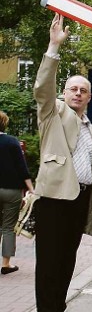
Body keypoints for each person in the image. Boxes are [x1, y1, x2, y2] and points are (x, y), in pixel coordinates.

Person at [33, 13, 92, 312]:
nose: (77, 92)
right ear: (64, 92)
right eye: (73, 88)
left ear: (89, 97)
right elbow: (42, 87)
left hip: (79, 201)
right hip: (54, 201)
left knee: (66, 263)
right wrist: (54, 47)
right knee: (49, 266)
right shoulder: (52, 113)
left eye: (83, 90)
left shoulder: (91, 127)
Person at [0, 111, 34, 275]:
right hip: (12, 191)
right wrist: (32, 190)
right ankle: (6, 264)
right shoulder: (12, 142)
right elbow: (22, 168)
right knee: (7, 227)